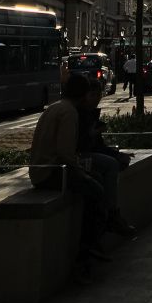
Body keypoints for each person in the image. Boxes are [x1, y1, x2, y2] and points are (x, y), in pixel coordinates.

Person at [29, 74, 113, 274]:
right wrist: (81, 171)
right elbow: (65, 152)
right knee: (96, 189)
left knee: (95, 182)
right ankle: (86, 251)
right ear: (83, 94)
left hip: (41, 170)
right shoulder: (69, 113)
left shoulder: (55, 108)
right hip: (52, 173)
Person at [75, 79, 137, 236]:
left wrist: (118, 154)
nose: (96, 98)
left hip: (86, 158)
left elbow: (98, 146)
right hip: (76, 160)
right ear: (84, 96)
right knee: (109, 166)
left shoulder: (90, 114)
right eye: (92, 95)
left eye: (98, 95)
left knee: (112, 165)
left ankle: (107, 217)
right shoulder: (79, 114)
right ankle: (111, 216)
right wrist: (93, 134)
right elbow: (82, 144)